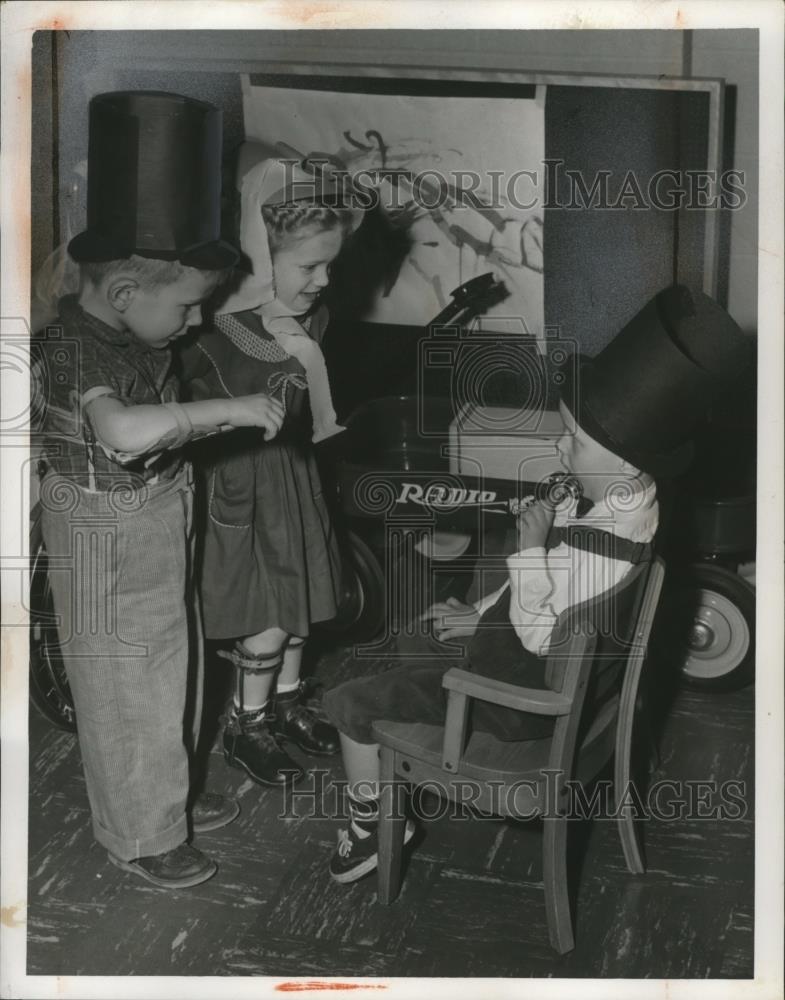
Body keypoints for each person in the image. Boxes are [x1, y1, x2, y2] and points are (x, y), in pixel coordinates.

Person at [321, 283, 753, 884]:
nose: (558, 444)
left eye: (574, 439)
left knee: (349, 701)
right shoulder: (632, 510)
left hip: (520, 702)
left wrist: (524, 552)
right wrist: (482, 612)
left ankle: (372, 829)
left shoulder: (593, 550)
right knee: (413, 643)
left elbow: (537, 633)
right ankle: (403, 755)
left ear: (626, 461)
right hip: (571, 681)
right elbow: (556, 588)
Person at [35, 92, 285, 889]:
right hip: (102, 527)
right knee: (122, 680)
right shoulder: (77, 348)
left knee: (170, 669)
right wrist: (229, 410)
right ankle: (139, 835)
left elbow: (158, 429)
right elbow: (123, 434)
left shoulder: (132, 328)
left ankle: (166, 801)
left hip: (153, 512)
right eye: (187, 306)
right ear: (120, 295)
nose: (193, 322)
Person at [180, 155, 364, 788]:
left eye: (329, 266)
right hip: (242, 488)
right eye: (309, 267)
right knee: (266, 614)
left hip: (293, 476)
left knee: (301, 601)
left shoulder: (310, 318)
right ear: (261, 257)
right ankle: (245, 723)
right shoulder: (212, 331)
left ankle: (284, 702)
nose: (323, 280)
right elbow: (184, 415)